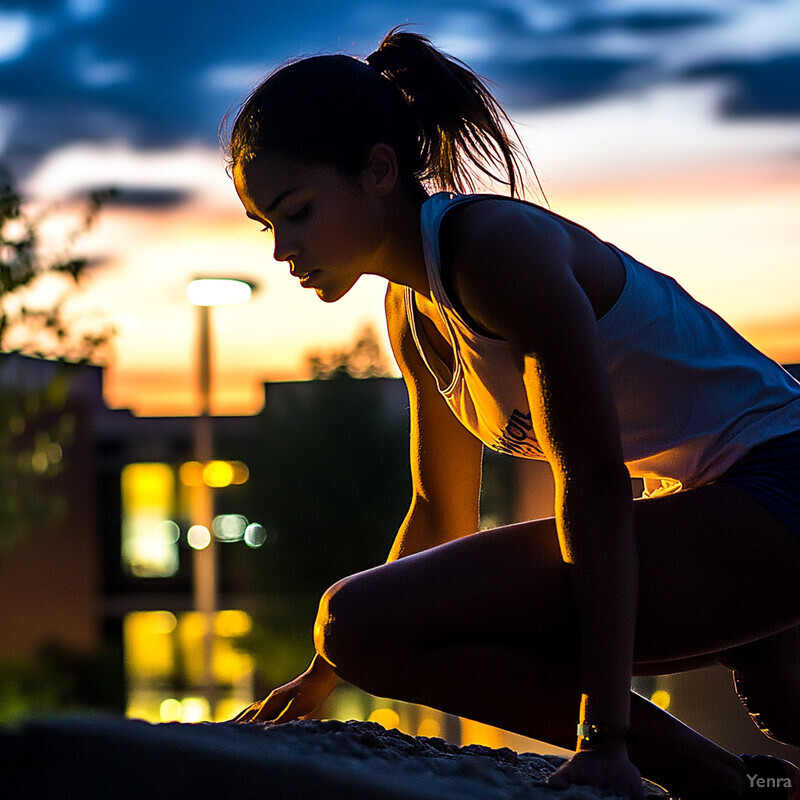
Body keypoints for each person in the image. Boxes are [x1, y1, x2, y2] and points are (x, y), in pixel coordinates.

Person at [223, 26, 800, 800]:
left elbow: (593, 485)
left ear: (379, 170)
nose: (282, 250)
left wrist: (606, 741)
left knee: (363, 619)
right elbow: (440, 511)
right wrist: (329, 667)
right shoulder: (412, 312)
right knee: (363, 628)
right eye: (268, 225)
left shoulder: (495, 251)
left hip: (778, 481)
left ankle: (717, 783)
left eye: (296, 211)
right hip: (704, 510)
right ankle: (737, 785)